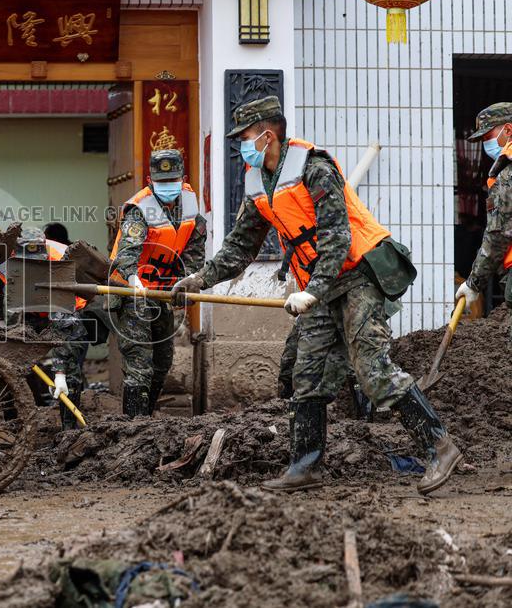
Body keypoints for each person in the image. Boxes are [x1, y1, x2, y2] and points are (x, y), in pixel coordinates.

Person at [178, 95, 461, 495]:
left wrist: (313, 291)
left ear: (267, 134)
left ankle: (439, 446)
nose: (240, 145)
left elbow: (337, 236)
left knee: (371, 369)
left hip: (357, 274)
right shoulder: (257, 179)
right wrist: (198, 281)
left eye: (244, 136)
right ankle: (304, 465)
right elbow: (241, 246)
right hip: (319, 287)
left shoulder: (315, 167)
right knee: (306, 374)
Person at [108, 149, 207, 418]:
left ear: (183, 178)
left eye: (171, 181)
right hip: (132, 291)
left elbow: (194, 252)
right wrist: (132, 278)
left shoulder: (190, 206)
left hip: (161, 291)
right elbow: (127, 251)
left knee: (162, 362)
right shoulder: (140, 209)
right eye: (160, 182)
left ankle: (146, 418)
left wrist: (189, 281)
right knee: (139, 363)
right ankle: (132, 428)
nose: (166, 187)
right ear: (151, 181)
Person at [0, 228, 88, 430]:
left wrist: (59, 373)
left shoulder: (61, 263)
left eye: (35, 263)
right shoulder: (5, 263)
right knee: (11, 365)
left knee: (70, 371)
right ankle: (15, 426)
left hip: (65, 314)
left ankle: (69, 430)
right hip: (28, 313)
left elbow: (64, 327)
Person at [458, 102, 512, 329]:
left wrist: (474, 282)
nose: (485, 144)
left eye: (488, 135)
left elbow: (499, 234)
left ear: (508, 130)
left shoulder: (508, 173)